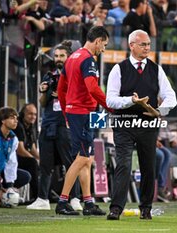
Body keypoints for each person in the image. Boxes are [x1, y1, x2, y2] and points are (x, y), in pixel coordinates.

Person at [106, 29, 177, 220]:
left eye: (148, 44)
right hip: (124, 124)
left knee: (148, 166)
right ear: (131, 45)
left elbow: (171, 97)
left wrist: (159, 111)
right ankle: (116, 208)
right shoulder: (118, 69)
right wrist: (131, 101)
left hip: (148, 124)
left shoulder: (156, 69)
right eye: (143, 44)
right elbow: (110, 100)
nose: (147, 48)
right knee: (123, 165)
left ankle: (146, 208)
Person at [55, 26, 112, 216]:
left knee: (87, 158)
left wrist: (65, 112)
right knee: (81, 158)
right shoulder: (88, 59)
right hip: (83, 112)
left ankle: (88, 202)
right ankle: (62, 201)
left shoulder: (72, 57)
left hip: (79, 111)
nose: (103, 49)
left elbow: (61, 89)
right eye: (103, 45)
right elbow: (93, 88)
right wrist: (111, 106)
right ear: (97, 41)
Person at [27, 41, 82, 211]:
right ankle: (43, 198)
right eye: (56, 56)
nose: (58, 59)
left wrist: (64, 94)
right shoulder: (49, 76)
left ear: (69, 57)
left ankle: (75, 199)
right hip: (49, 123)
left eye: (61, 56)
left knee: (70, 163)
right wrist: (43, 92)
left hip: (66, 125)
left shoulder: (76, 75)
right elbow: (43, 103)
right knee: (45, 164)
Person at [13, 103, 39, 201]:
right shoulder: (18, 126)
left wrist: (40, 159)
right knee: (32, 163)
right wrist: (34, 159)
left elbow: (32, 147)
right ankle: (37, 196)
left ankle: (46, 194)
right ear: (23, 114)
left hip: (21, 157)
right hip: (14, 159)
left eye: (35, 114)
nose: (33, 117)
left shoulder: (31, 126)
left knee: (45, 163)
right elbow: (20, 150)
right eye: (30, 114)